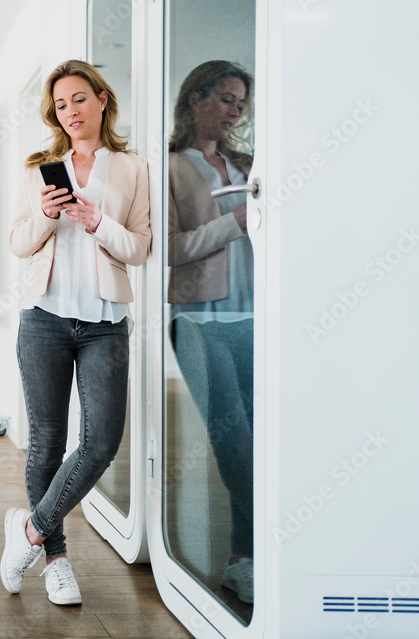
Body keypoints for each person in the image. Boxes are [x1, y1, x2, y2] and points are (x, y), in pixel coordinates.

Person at [1, 59, 151, 605]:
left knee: (101, 444)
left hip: (104, 324)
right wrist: (45, 214)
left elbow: (140, 247)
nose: (71, 111)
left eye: (79, 99)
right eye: (61, 105)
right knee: (46, 443)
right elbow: (19, 243)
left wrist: (96, 222)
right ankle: (57, 560)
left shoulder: (133, 168)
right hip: (43, 319)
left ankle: (29, 532)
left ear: (103, 99)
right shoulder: (40, 167)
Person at [166, 60, 255, 605]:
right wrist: (234, 223)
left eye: (240, 104)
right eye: (225, 99)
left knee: (260, 441)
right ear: (195, 99)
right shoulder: (172, 168)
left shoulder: (249, 165)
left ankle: (244, 558)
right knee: (234, 443)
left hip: (256, 318)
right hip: (201, 320)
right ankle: (244, 558)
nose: (233, 112)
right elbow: (171, 251)